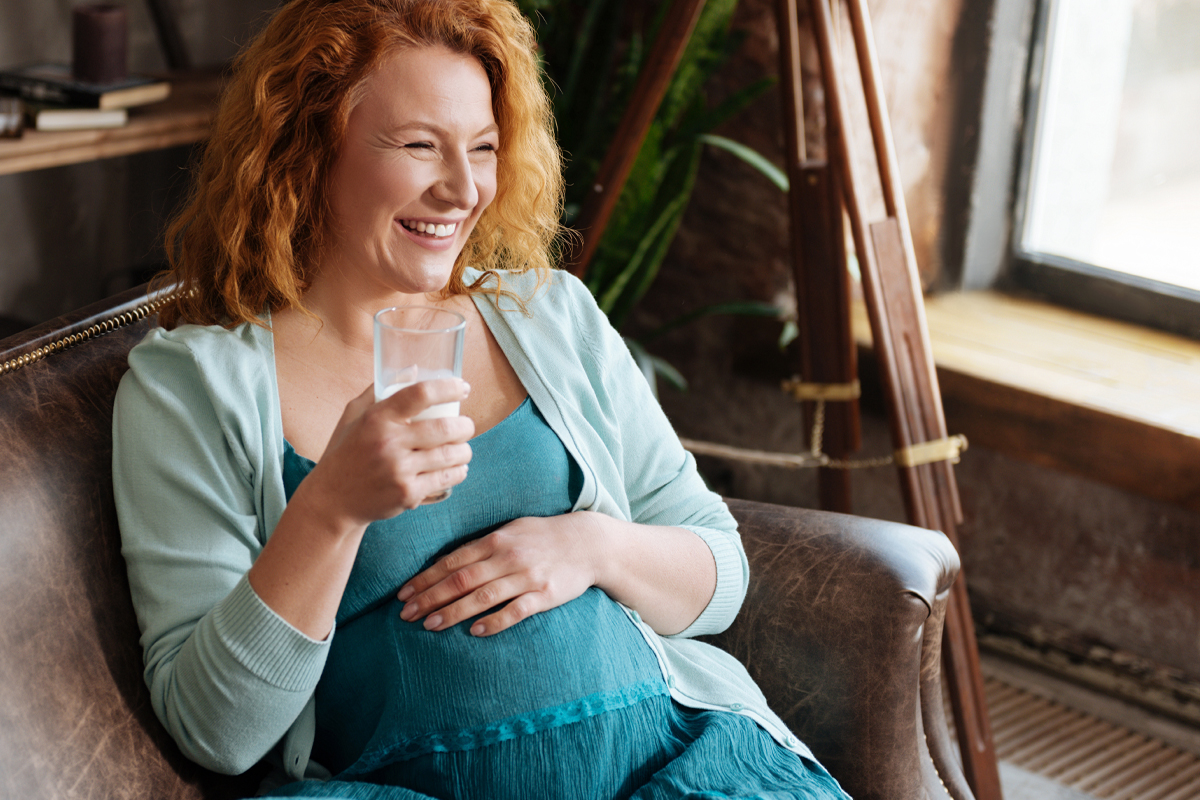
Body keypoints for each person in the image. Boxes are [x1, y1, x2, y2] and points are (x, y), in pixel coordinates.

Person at [112, 1, 850, 798]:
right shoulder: (191, 386)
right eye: (420, 145)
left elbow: (721, 569)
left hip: (677, 765)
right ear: (306, 149)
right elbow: (212, 731)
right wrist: (330, 509)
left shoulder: (551, 316)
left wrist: (592, 547)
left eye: (485, 149)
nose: (463, 189)